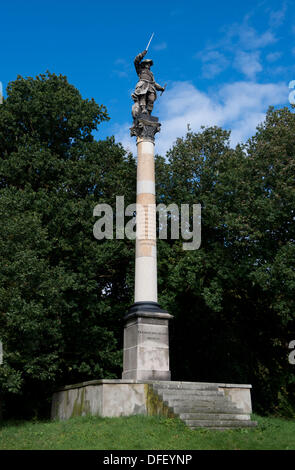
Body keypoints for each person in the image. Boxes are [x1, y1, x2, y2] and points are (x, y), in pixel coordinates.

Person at [131, 50, 165, 117]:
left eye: (149, 64)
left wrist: (161, 88)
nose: (148, 65)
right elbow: (136, 61)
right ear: (144, 64)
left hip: (150, 86)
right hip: (142, 85)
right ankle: (143, 109)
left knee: (151, 99)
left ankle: (149, 113)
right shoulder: (140, 70)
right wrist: (143, 54)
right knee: (142, 96)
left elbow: (154, 83)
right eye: (147, 63)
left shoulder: (151, 74)